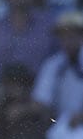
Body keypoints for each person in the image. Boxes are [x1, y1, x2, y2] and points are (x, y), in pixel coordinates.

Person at [31, 10, 83, 138]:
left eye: (73, 36)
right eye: (63, 36)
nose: (68, 41)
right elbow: (41, 99)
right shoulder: (53, 65)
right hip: (63, 126)